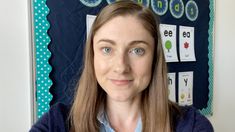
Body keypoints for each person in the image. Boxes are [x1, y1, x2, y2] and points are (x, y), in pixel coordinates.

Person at [30, 1, 214, 132]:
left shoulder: (191, 126)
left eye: (137, 51)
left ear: (155, 58)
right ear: (93, 56)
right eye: (107, 49)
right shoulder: (57, 123)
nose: (121, 67)